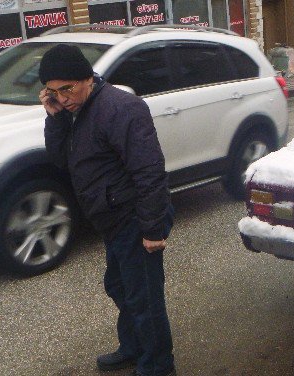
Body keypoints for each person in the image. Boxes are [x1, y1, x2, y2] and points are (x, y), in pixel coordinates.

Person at [39, 44, 176, 376]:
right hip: (111, 220)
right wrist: (55, 118)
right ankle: (134, 347)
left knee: (144, 300)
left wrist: (153, 230)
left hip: (134, 218)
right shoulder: (75, 112)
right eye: (53, 92)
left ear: (87, 78)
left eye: (67, 89)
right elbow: (61, 160)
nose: (62, 97)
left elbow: (149, 171)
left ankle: (158, 366)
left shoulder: (121, 108)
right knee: (119, 286)